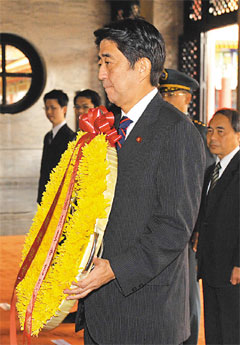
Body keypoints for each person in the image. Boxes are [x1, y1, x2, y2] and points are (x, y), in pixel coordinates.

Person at [64, 18, 206, 345]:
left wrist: (114, 268)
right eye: (99, 63)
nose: (101, 73)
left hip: (144, 315)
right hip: (102, 311)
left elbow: (174, 226)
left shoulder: (176, 132)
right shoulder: (110, 128)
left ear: (141, 67)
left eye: (108, 62)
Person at [159, 69, 215, 345]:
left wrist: (198, 228)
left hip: (189, 228)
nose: (166, 99)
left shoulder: (200, 133)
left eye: (171, 93)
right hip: (161, 224)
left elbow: (205, 185)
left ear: (187, 97)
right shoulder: (158, 129)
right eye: (163, 94)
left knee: (188, 292)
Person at [195, 108, 240, 345]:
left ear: (238, 135)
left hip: (233, 270)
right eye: (210, 131)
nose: (212, 137)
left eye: (221, 131)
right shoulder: (212, 171)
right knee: (214, 328)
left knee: (232, 330)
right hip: (211, 266)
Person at [159, 68, 215, 168]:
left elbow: (206, 170)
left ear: (187, 98)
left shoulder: (198, 131)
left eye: (170, 95)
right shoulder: (156, 128)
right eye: (162, 95)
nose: (164, 100)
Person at [37, 89, 75, 204]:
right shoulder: (47, 136)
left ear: (64, 109)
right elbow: (44, 169)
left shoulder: (71, 137)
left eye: (53, 108)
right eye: (46, 108)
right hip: (46, 195)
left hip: (61, 199)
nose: (49, 112)